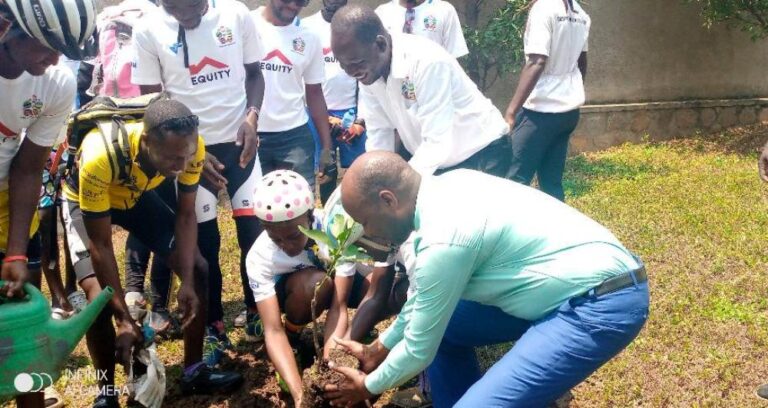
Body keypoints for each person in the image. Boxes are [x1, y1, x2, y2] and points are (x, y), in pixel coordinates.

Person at [322, 151, 650, 407]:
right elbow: (425, 300)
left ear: (388, 200)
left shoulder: (444, 239)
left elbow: (420, 350)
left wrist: (365, 386)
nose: (371, 235)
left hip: (600, 301)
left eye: (366, 223)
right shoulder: (449, 185)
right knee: (447, 327)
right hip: (567, 286)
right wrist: (379, 348)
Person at [61, 99, 244, 407]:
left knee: (198, 268)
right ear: (146, 142)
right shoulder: (99, 154)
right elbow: (101, 245)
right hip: (86, 202)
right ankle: (106, 391)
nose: (182, 165)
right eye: (173, 158)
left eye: (186, 156)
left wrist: (186, 280)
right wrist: (124, 319)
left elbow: (186, 215)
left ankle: (194, 369)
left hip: (134, 195)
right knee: (98, 300)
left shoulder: (191, 147)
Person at [131, 0, 266, 365]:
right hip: (188, 153)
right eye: (172, 8)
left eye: (188, 7)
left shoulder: (236, 14)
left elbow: (255, 73)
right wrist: (191, 150)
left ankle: (258, 314)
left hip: (241, 145)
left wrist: (252, 119)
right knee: (203, 244)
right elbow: (151, 101)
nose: (181, 15)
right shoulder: (147, 29)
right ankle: (213, 326)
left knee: (253, 235)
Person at [0, 1, 96, 406]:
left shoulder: (54, 83)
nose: (56, 59)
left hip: (5, 195)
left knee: (21, 321)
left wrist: (15, 251)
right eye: (46, 46)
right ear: (5, 28)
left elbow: (27, 168)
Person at [331, 5, 511, 178]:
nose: (351, 72)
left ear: (380, 44)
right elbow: (380, 133)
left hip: (482, 153)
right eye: (343, 64)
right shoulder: (367, 72)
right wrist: (376, 177)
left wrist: (399, 184)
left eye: (356, 62)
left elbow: (437, 141)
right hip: (435, 159)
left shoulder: (426, 61)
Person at [246, 0, 335, 341]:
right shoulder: (247, 26)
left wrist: (325, 143)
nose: (293, 6)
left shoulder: (309, 37)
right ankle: (257, 307)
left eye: (301, 2)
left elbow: (314, 93)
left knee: (299, 219)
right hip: (251, 134)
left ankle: (308, 285)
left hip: (294, 135)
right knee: (256, 222)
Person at [504, 0, 590, 201]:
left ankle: (513, 232)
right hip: (568, 113)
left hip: (540, 112)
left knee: (514, 181)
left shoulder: (544, 8)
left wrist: (510, 112)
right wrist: (572, 91)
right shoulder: (580, 13)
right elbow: (582, 61)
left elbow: (537, 61)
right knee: (551, 182)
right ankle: (559, 230)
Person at [304, 0, 368, 204]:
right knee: (326, 169)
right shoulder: (307, 27)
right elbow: (300, 76)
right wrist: (323, 117)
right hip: (319, 114)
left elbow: (368, 76)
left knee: (359, 171)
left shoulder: (358, 25)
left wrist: (360, 119)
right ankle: (327, 217)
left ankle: (357, 220)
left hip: (353, 113)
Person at [375, 0, 467, 59]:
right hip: (394, 86)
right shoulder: (381, 13)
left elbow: (454, 58)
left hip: (434, 84)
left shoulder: (444, 10)